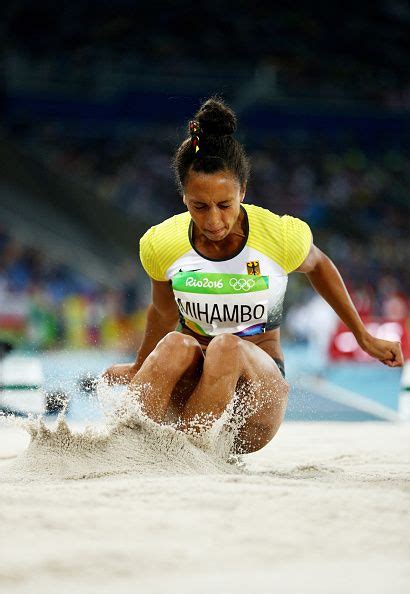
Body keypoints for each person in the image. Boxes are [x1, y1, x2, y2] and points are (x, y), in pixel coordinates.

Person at [104, 98, 403, 454]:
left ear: (242, 192)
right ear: (184, 198)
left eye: (225, 205)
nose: (214, 221)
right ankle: (121, 449)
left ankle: (187, 456)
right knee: (174, 343)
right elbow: (164, 313)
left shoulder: (278, 235)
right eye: (200, 206)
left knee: (226, 346)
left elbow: (320, 265)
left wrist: (363, 336)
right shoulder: (162, 244)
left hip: (255, 400)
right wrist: (140, 366)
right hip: (189, 388)